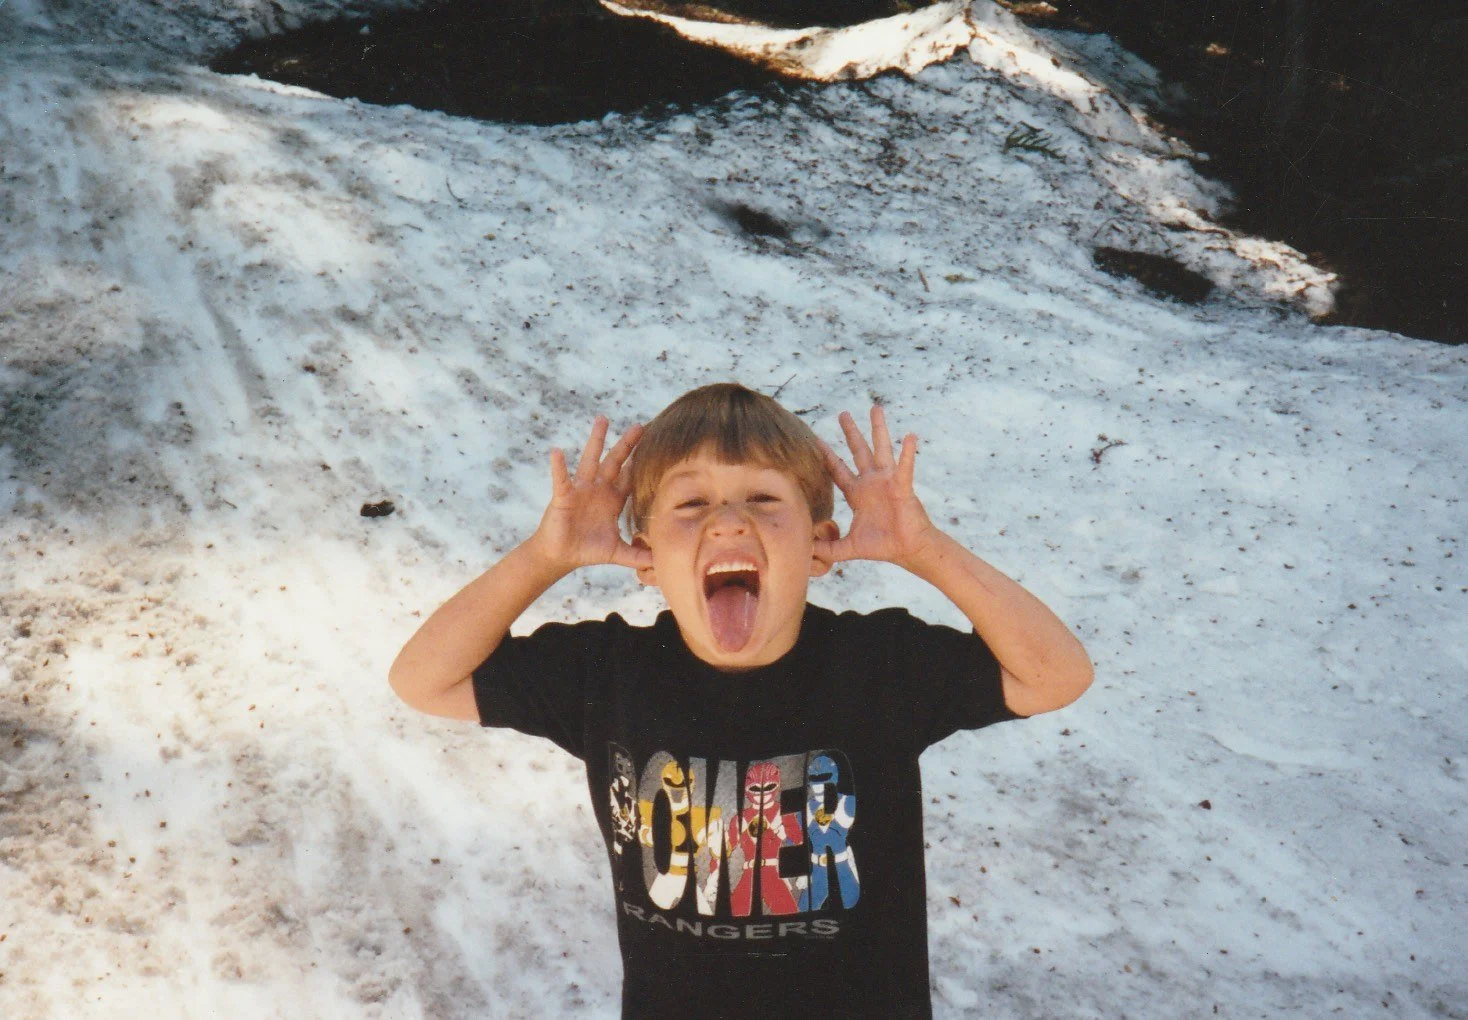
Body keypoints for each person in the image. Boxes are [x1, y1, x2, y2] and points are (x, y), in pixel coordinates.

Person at [389, 382, 1093, 1018]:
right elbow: (424, 679)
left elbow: (1056, 674)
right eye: (691, 504)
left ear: (820, 545)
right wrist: (545, 556)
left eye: (763, 500)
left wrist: (923, 548)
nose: (727, 522)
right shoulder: (606, 672)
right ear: (645, 555)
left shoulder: (880, 665)